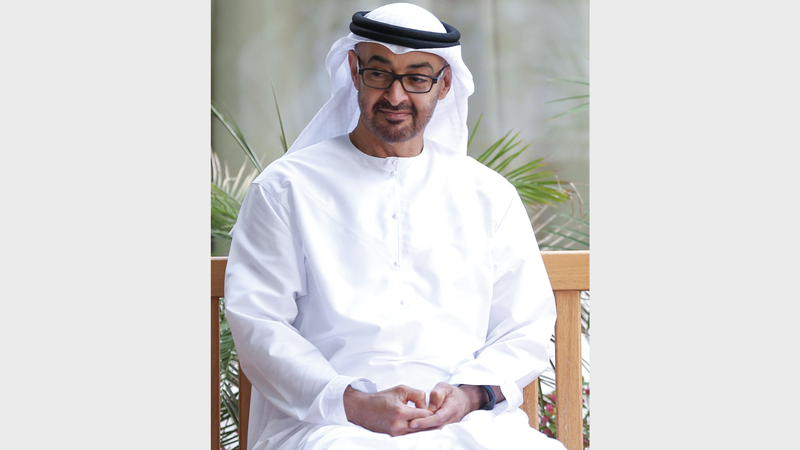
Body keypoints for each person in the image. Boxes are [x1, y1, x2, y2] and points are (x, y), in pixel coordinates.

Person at [224, 3, 566, 449]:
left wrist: (468, 395)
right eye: (380, 73)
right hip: (328, 423)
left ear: (444, 84)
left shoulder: (488, 195)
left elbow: (524, 324)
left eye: (417, 78)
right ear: (354, 70)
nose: (396, 95)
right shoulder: (286, 188)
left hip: (465, 423)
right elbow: (261, 323)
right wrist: (354, 403)